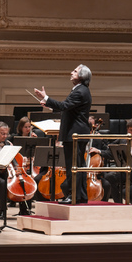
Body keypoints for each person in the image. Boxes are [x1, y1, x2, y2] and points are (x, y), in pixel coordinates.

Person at [35, 64, 93, 204]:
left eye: (75, 71)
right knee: (78, 165)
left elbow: (65, 106)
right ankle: (80, 195)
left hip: (75, 134)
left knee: (73, 166)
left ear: (82, 76)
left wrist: (47, 98)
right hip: (76, 132)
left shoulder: (79, 91)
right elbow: (68, 108)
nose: (71, 72)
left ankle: (73, 196)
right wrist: (49, 104)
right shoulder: (81, 90)